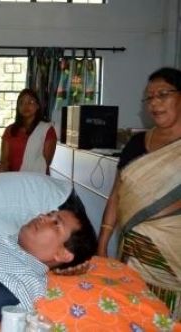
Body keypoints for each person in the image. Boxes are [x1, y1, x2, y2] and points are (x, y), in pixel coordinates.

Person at [97, 67, 181, 319]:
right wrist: (102, 244)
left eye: (163, 94)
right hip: (133, 253)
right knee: (135, 314)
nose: (154, 103)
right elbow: (116, 195)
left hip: (174, 251)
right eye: (149, 97)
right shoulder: (136, 144)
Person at [0, 88, 57, 175]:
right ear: (18, 107)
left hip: (37, 181)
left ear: (37, 106)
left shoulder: (47, 130)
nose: (26, 106)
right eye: (21, 103)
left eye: (30, 102)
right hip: (13, 181)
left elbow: (45, 164)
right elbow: (5, 162)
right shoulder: (10, 130)